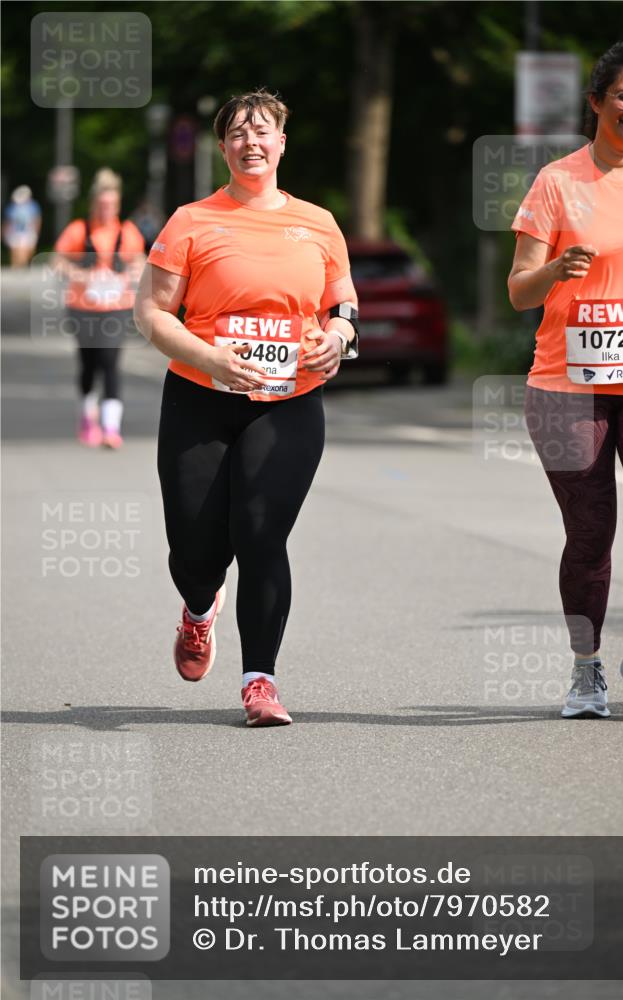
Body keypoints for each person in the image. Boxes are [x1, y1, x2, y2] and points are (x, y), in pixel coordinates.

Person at [134, 89, 359, 727]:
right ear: (222, 146)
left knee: (261, 535)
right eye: (237, 134)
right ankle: (199, 609)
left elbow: (342, 306)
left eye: (262, 133)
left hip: (289, 402)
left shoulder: (317, 222)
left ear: (282, 143)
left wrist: (338, 338)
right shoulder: (191, 221)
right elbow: (150, 312)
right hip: (200, 399)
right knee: (194, 548)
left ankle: (260, 680)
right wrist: (210, 359)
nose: (250, 143)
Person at [508, 42, 623, 720]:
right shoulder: (555, 182)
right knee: (590, 533)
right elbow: (518, 291)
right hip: (564, 385)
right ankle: (585, 670)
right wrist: (555, 270)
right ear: (596, 101)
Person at [55, 169, 145, 448]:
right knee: (89, 364)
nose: (107, 210)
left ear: (117, 206)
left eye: (112, 205)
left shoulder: (127, 232)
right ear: (94, 203)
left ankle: (110, 427)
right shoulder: (78, 230)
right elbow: (58, 261)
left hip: (116, 307)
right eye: (102, 205)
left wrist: (130, 274)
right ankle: (87, 416)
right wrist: (78, 275)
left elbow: (140, 262)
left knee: (110, 361)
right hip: (83, 307)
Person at [3, 185, 41, 267]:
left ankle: (21, 267)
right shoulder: (12, 207)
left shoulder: (33, 206)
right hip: (15, 233)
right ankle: (17, 268)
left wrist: (36, 231)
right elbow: (8, 221)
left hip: (28, 232)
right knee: (16, 251)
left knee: (27, 251)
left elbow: (37, 220)